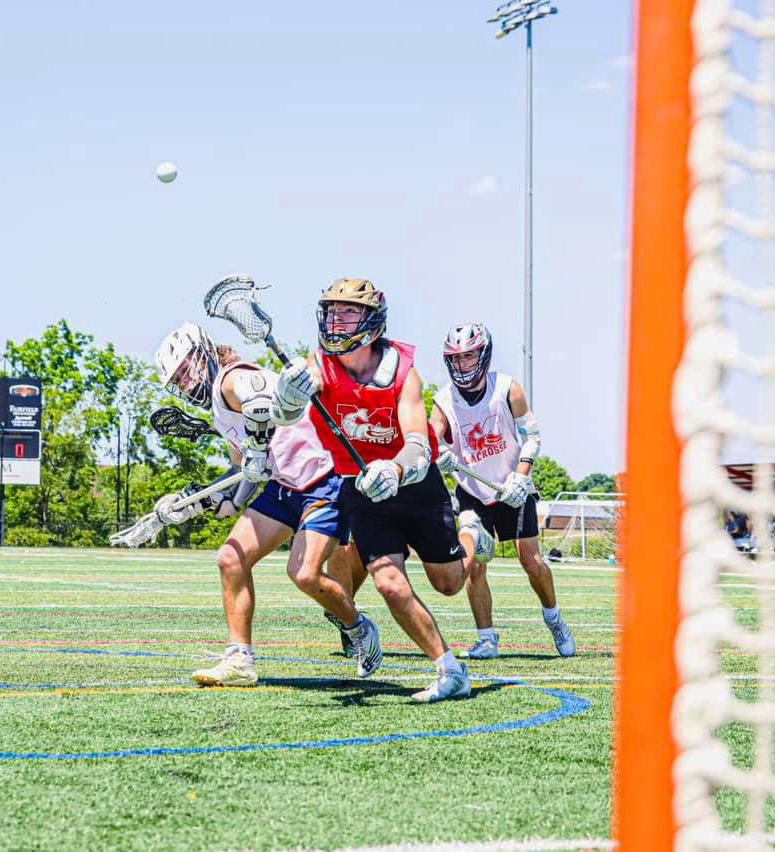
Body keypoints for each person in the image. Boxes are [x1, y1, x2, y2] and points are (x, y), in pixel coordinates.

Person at [272, 279, 495, 703]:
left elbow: (418, 444)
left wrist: (393, 470)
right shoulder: (318, 365)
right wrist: (286, 399)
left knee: (448, 583)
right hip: (359, 488)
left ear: (372, 321)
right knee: (389, 583)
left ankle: (471, 535)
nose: (337, 321)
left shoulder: (402, 372)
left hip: (413, 484)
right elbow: (287, 415)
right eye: (331, 311)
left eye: (348, 312)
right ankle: (449, 670)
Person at [152, 322, 381, 687]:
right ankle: (239, 659)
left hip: (324, 477)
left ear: (205, 353)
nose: (186, 382)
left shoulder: (230, 378)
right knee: (231, 558)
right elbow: (237, 491)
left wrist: (257, 448)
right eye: (178, 379)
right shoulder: (219, 408)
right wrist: (188, 504)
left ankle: (359, 627)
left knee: (304, 574)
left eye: (186, 370)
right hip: (285, 486)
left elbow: (260, 401)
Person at [429, 322, 576, 659]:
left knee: (531, 561)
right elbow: (430, 436)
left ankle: (554, 618)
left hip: (511, 487)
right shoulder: (444, 400)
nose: (463, 364)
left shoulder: (508, 389)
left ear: (484, 355)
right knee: (475, 565)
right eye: (456, 358)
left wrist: (521, 478)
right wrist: (437, 452)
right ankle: (487, 638)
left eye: (469, 356)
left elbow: (532, 437)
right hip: (472, 492)